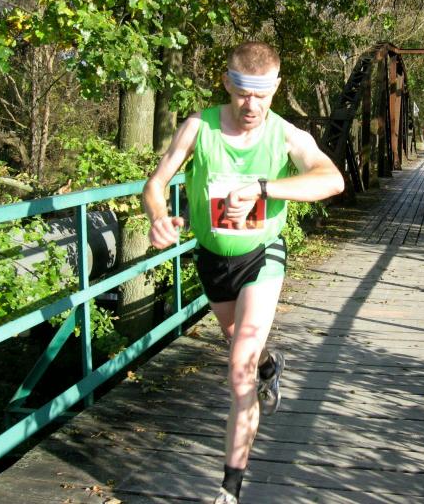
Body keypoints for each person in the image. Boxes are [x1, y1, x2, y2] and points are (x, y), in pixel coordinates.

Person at [142, 41, 345, 504]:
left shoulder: (286, 135)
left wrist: (263, 187)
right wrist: (158, 216)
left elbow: (332, 179)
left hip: (261, 255)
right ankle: (270, 365)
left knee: (238, 372)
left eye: (262, 95)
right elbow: (155, 184)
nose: (251, 106)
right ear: (227, 84)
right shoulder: (199, 127)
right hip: (213, 260)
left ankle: (229, 490)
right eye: (242, 94)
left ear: (276, 88)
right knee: (243, 350)